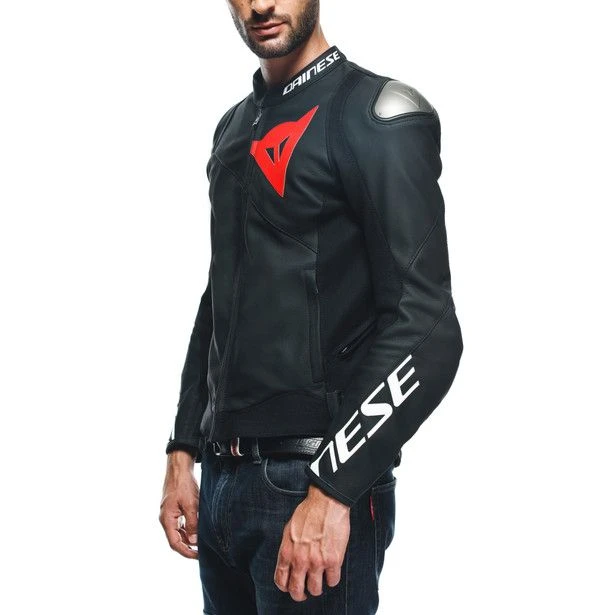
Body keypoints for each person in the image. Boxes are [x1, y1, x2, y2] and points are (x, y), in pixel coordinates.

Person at [159, 1, 464, 612]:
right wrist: (183, 448)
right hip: (220, 482)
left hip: (311, 487)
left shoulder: (377, 115)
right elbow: (221, 295)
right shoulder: (234, 128)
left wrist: (334, 488)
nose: (261, 5)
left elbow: (428, 328)